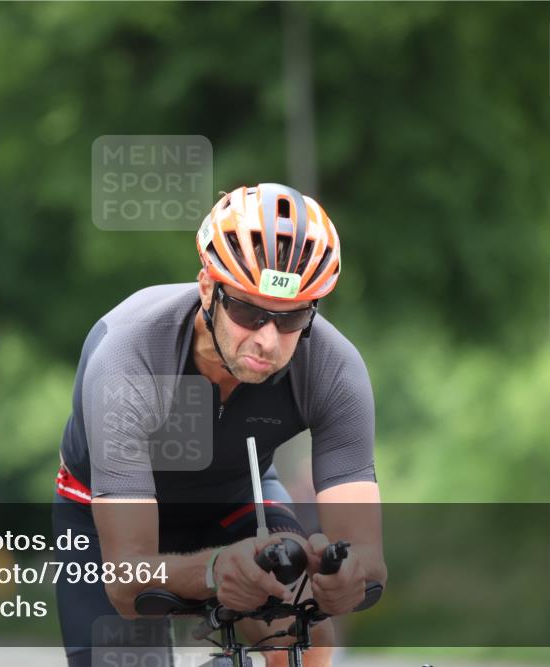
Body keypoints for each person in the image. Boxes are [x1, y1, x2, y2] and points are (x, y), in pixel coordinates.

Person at [52, 183, 386, 667]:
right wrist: (213, 570)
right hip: (101, 517)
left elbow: (369, 562)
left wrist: (343, 576)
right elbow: (128, 582)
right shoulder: (130, 357)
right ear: (208, 288)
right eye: (249, 312)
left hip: (233, 500)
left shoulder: (334, 369)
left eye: (291, 320)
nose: (268, 340)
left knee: (306, 635)